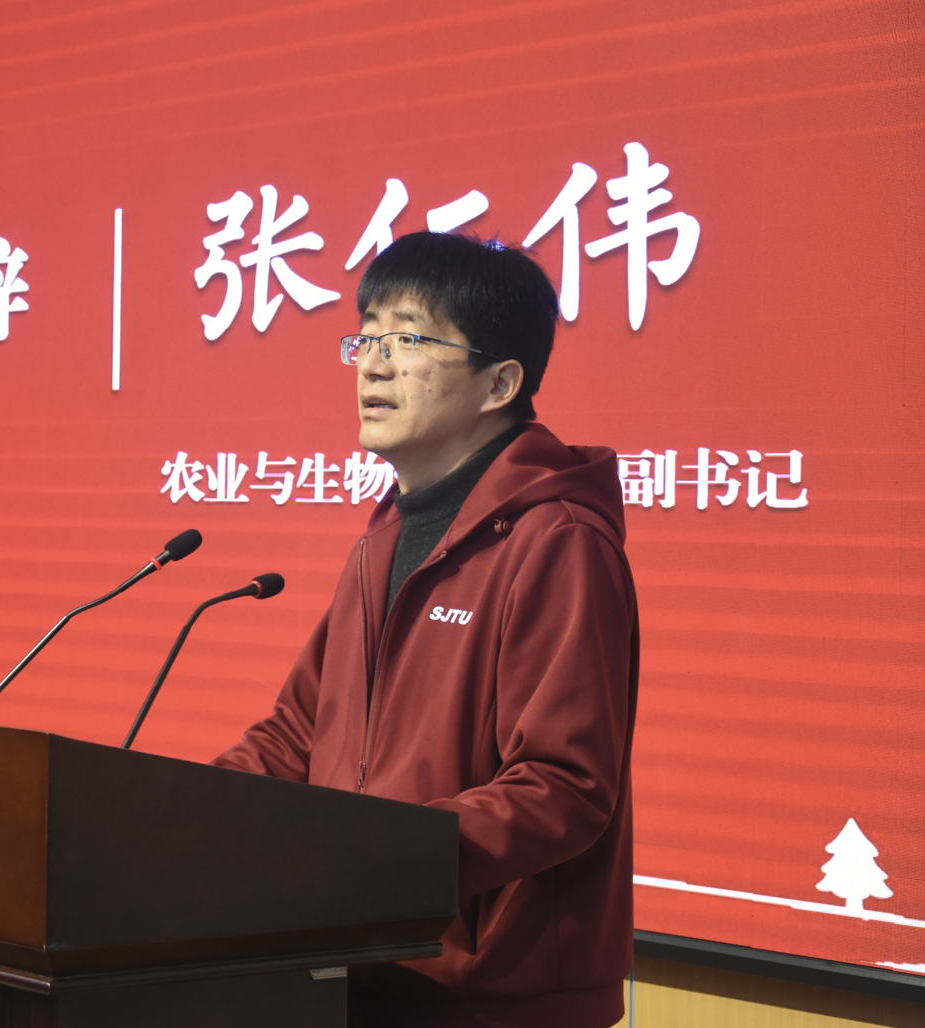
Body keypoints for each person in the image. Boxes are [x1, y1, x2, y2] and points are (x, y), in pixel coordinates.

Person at [213, 231, 639, 1028]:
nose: (373, 365)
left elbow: (565, 786)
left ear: (499, 382)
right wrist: (179, 816)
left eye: (408, 340)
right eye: (366, 337)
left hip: (491, 998)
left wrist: (377, 858)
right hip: (359, 963)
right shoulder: (386, 535)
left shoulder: (558, 541)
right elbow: (297, 734)